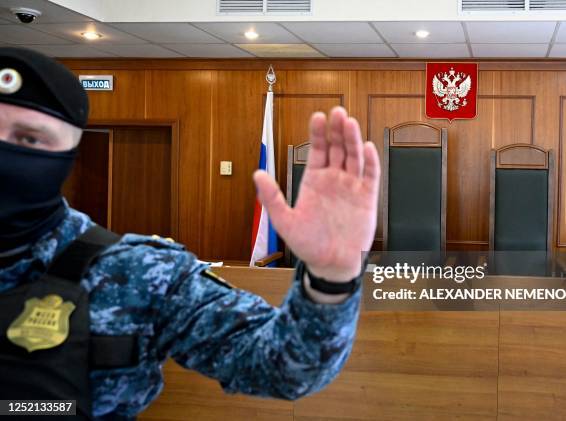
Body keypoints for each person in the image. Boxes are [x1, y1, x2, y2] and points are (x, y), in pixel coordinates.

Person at [0, 47, 380, 420]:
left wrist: (331, 280)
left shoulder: (138, 272)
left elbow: (281, 366)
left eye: (29, 139)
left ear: (71, 151)